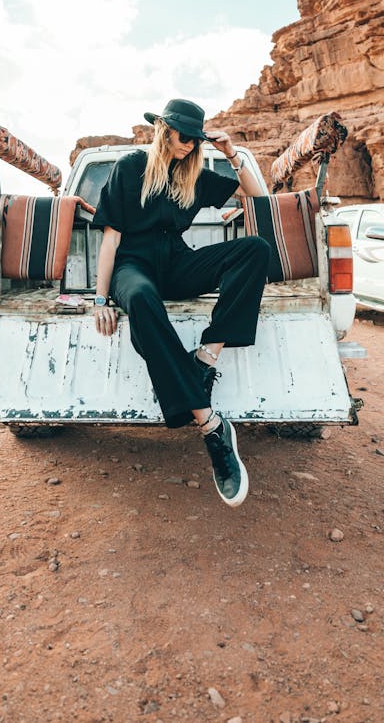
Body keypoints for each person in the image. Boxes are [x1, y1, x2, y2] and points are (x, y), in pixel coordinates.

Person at [92, 98, 269, 508]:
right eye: (184, 135)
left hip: (177, 261)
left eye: (196, 138)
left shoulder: (196, 175)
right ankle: (210, 426)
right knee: (139, 298)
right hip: (132, 265)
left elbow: (257, 197)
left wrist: (230, 153)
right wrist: (101, 298)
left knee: (254, 250)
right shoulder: (131, 167)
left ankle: (205, 358)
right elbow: (112, 238)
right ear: (164, 130)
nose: (189, 144)